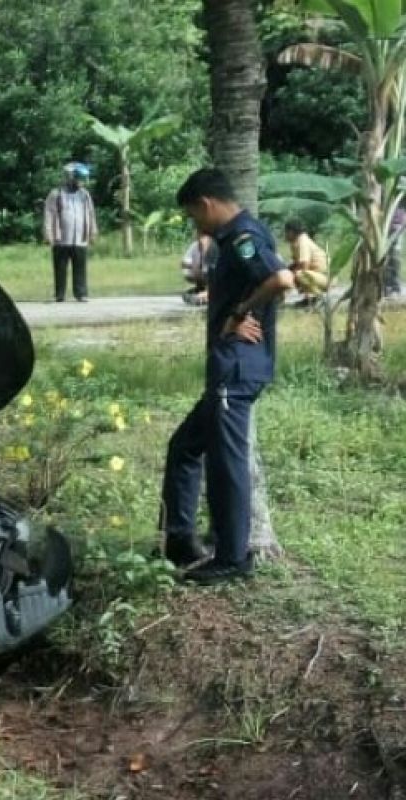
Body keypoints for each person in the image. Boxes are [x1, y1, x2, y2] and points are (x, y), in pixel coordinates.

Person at [160, 168, 294, 585]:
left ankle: (233, 558)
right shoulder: (230, 240)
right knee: (184, 447)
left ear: (206, 204)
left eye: (194, 216)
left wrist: (241, 312)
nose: (196, 225)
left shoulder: (241, 236)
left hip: (237, 368)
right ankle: (180, 540)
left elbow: (281, 278)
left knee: (225, 462)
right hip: (227, 368)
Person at [43, 162, 99, 302]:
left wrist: (92, 231)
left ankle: (81, 293)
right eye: (79, 179)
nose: (82, 182)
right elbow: (49, 215)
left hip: (80, 239)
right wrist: (48, 234)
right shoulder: (56, 194)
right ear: (70, 177)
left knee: (80, 267)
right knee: (60, 267)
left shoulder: (85, 195)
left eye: (83, 179)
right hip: (61, 239)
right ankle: (59, 294)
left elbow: (91, 214)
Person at [284, 219, 330, 308]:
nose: (285, 235)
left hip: (325, 277)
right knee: (294, 272)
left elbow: (304, 265)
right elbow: (296, 263)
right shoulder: (295, 243)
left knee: (299, 274)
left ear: (292, 232)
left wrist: (290, 277)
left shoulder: (303, 241)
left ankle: (315, 297)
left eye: (286, 232)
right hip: (316, 275)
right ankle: (308, 300)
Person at [180, 231, 215, 306]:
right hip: (198, 273)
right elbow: (184, 263)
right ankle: (203, 290)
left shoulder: (214, 248)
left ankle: (209, 292)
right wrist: (195, 266)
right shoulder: (194, 246)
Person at [386, 207, 404, 298]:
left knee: (394, 255)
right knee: (385, 256)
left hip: (397, 223)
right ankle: (387, 286)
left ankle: (394, 287)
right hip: (384, 221)